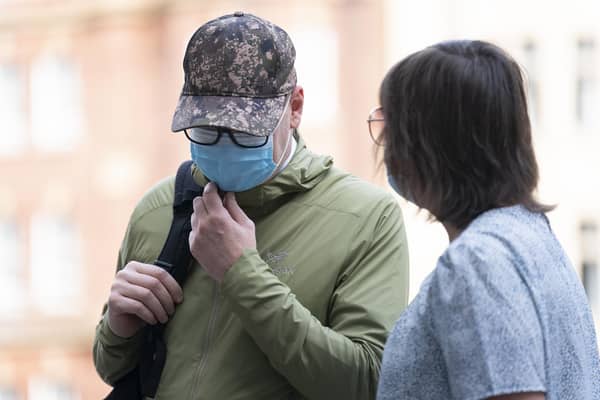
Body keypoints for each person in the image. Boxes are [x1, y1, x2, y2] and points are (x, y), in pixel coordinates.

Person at [93, 12, 409, 400]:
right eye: (207, 128)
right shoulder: (158, 207)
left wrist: (241, 273)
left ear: (294, 109)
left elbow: (368, 384)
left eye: (245, 130)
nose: (224, 142)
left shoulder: (367, 217)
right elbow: (111, 368)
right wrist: (118, 327)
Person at [371, 40, 600, 400]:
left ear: (430, 147)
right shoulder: (529, 234)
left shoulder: (476, 263)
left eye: (392, 129)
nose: (385, 148)